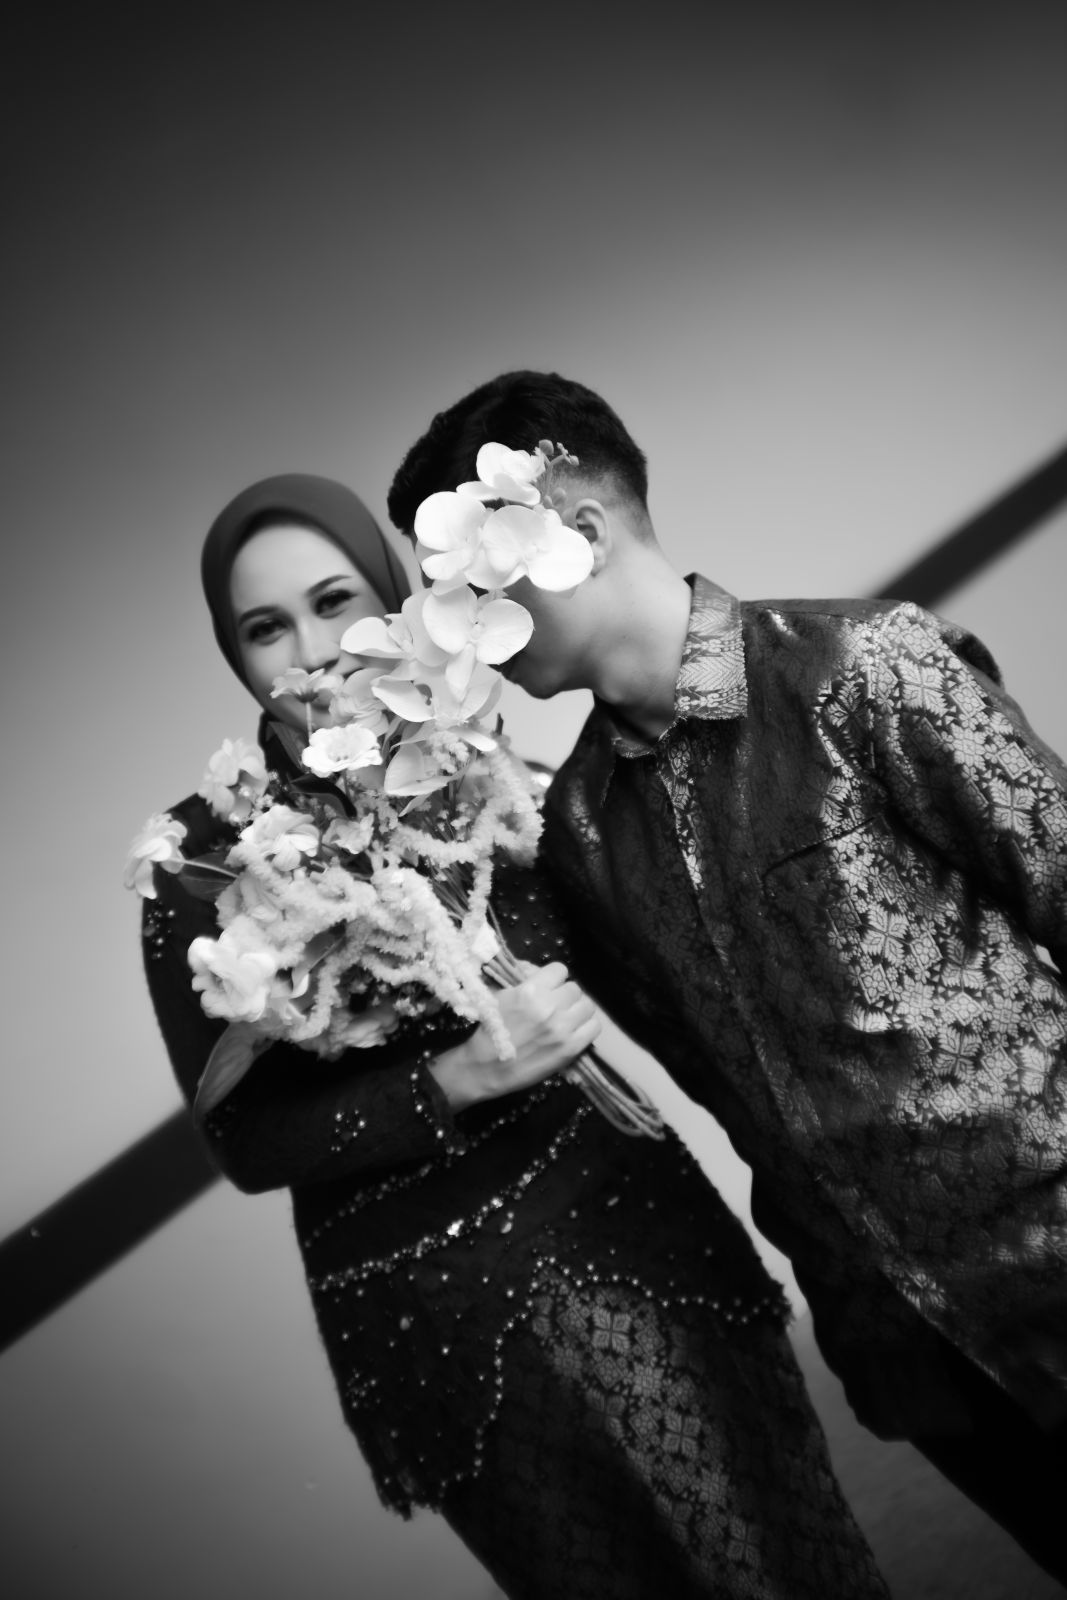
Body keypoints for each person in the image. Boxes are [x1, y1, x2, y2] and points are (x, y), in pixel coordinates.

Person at [140, 473, 889, 1600]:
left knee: (782, 1554)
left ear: (394, 600)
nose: (310, 648)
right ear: (232, 651)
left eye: (335, 601)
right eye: (264, 627)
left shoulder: (480, 762)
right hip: (423, 1305)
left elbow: (654, 980)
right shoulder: (202, 859)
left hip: (622, 1221)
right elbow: (245, 1143)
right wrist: (453, 1077)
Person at [386, 372, 1067, 1585]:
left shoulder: (862, 666)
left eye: (469, 580)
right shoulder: (577, 831)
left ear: (578, 530)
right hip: (908, 1342)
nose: (455, 621)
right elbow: (717, 1087)